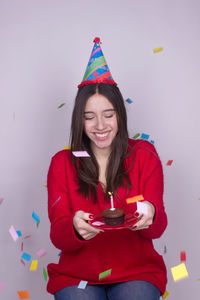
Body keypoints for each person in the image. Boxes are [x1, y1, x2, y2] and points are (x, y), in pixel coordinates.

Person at [47, 37, 167, 300]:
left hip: (137, 271)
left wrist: (151, 211)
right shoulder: (61, 163)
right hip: (77, 275)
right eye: (89, 117)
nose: (100, 125)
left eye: (108, 114)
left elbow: (157, 228)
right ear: (79, 120)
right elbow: (58, 235)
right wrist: (75, 228)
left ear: (120, 115)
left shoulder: (144, 155)